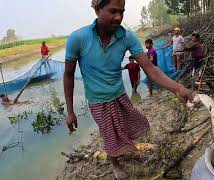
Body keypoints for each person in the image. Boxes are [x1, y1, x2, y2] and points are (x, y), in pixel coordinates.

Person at [63, 0, 193, 179]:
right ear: (98, 9)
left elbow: (150, 69)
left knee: (136, 123)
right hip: (98, 101)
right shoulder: (78, 38)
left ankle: (122, 149)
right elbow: (68, 75)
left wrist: (178, 88)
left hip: (120, 95)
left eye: (121, 12)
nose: (118, 17)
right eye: (113, 11)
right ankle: (115, 163)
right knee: (109, 135)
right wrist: (70, 112)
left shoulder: (127, 37)